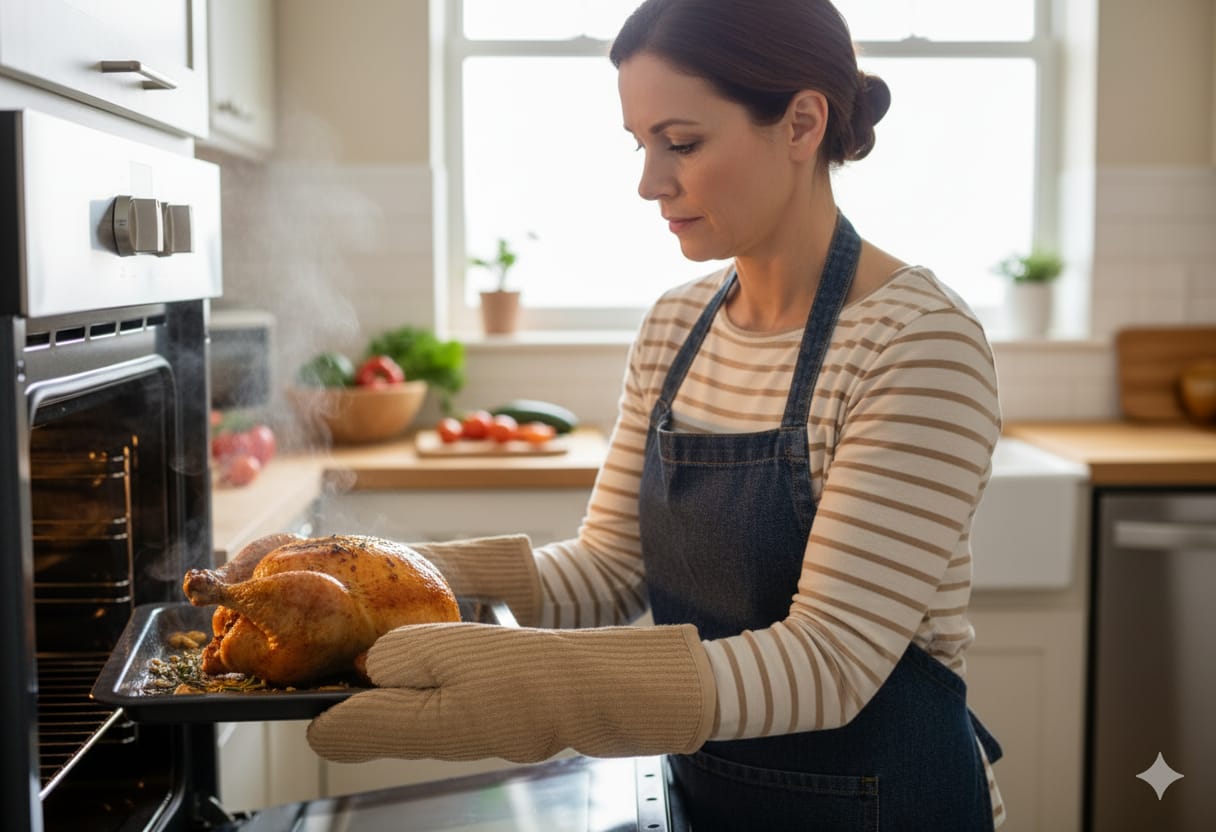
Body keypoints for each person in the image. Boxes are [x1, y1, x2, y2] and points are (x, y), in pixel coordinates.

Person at [307, 0, 1005, 828]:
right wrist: (397, 574)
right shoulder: (677, 325)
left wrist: (545, 686)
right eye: (641, 144)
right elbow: (612, 571)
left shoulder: (916, 341)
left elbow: (829, 661)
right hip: (708, 797)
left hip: (886, 806)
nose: (650, 182)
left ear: (802, 123)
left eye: (682, 143)